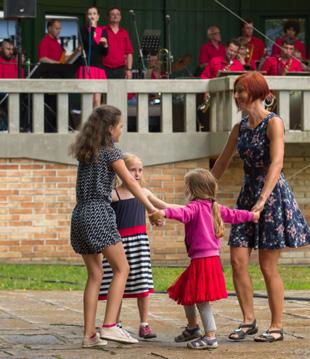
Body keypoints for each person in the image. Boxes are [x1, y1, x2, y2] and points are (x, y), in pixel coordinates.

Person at [211, 72, 310, 343]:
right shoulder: (240, 128)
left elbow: (277, 163)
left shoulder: (274, 122)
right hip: (248, 192)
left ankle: (277, 325)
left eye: (241, 91)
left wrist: (262, 200)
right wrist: (203, 191)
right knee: (237, 259)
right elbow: (221, 163)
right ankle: (248, 320)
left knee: (268, 266)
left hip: (272, 194)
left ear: (256, 92)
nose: (236, 96)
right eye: (236, 91)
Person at [69, 105, 160, 348]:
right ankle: (110, 325)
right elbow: (130, 181)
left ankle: (89, 335)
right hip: (99, 213)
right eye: (120, 126)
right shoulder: (111, 152)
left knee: (95, 276)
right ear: (110, 129)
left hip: (80, 215)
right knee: (122, 268)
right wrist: (151, 209)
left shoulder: (86, 152)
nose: (122, 131)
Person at [157, 168, 259, 350]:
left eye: (186, 187)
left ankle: (210, 337)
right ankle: (193, 328)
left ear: (192, 189)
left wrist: (164, 213)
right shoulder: (214, 207)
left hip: (203, 261)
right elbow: (236, 215)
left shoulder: (195, 207)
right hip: (206, 260)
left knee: (201, 300)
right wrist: (252, 216)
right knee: (185, 292)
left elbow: (182, 214)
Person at [98, 153, 179, 340]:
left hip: (139, 244)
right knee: (116, 283)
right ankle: (114, 322)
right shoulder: (114, 194)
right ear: (122, 171)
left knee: (142, 284)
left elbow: (165, 206)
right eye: (132, 170)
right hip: (118, 244)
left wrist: (192, 209)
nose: (137, 174)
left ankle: (144, 324)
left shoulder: (145, 193)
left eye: (140, 170)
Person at [77, 6, 108, 108]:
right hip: (86, 66)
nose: (92, 16)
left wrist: (106, 44)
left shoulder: (103, 32)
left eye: (94, 14)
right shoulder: (83, 30)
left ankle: (96, 123)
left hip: (98, 67)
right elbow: (88, 43)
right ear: (87, 17)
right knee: (86, 100)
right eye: (89, 14)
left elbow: (105, 52)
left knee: (96, 100)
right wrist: (93, 28)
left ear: (98, 17)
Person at [102, 7, 134, 79]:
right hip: (104, 68)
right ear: (108, 17)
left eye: (117, 14)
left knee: (120, 90)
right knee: (105, 90)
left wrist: (129, 69)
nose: (115, 16)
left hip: (120, 69)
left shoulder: (124, 33)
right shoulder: (102, 30)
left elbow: (129, 53)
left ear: (120, 17)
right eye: (112, 14)